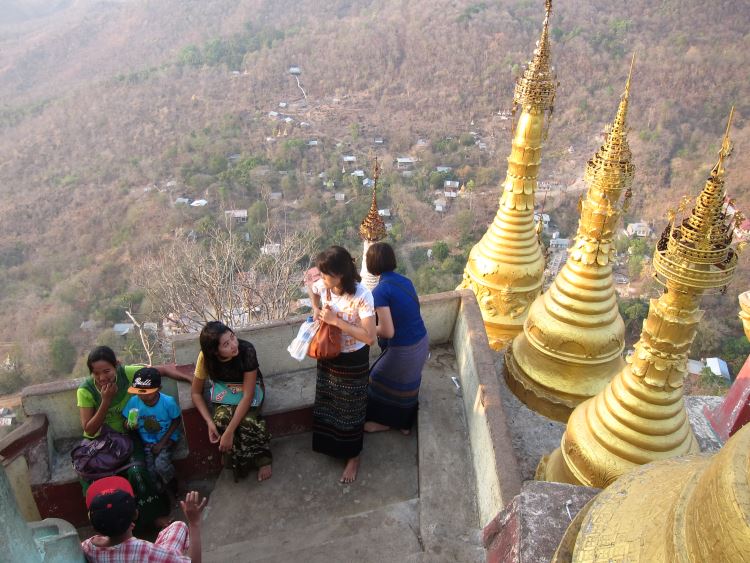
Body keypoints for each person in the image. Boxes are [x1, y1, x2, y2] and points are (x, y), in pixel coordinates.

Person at [77, 346, 192, 532]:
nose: (102, 378)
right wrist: (106, 400)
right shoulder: (86, 390)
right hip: (99, 442)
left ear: (117, 366)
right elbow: (89, 429)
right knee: (96, 482)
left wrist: (190, 378)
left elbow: (160, 370)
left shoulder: (127, 374)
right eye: (96, 373)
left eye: (107, 371)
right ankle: (114, 528)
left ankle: (153, 517)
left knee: (138, 471)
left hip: (126, 436)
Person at [306, 245, 377, 483]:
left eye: (326, 274)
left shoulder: (362, 296)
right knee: (329, 401)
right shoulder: (324, 286)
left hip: (353, 358)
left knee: (351, 409)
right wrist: (315, 308)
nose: (322, 278)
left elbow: (369, 337)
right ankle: (331, 445)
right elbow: (312, 288)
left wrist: (336, 321)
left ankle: (353, 456)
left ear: (341, 274)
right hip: (329, 354)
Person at [190, 321, 273, 482]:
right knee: (220, 419)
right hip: (225, 392)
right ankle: (232, 458)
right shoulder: (205, 358)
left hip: (249, 389)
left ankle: (262, 459)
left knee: (248, 421)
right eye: (226, 344)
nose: (234, 345)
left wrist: (228, 433)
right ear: (214, 351)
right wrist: (209, 422)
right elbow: (195, 393)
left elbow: (248, 395)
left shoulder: (246, 350)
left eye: (233, 337)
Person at [364, 242, 429, 435]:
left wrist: (366, 328)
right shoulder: (405, 281)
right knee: (406, 385)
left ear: (371, 264)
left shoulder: (380, 292)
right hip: (422, 342)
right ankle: (404, 424)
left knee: (376, 380)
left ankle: (384, 423)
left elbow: (387, 331)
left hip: (405, 350)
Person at [81, 475, 207, 562]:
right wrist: (194, 523)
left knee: (177, 526)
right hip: (150, 558)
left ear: (94, 525)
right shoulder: (145, 551)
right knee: (180, 526)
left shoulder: (88, 548)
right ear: (135, 514)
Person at [123, 367, 182, 494]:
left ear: (159, 389)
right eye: (139, 392)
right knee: (149, 469)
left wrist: (162, 443)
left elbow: (176, 420)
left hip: (167, 439)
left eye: (147, 392)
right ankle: (158, 491)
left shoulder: (168, 402)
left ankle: (173, 485)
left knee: (161, 465)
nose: (143, 396)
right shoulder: (134, 402)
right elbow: (125, 420)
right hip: (146, 442)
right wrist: (128, 424)